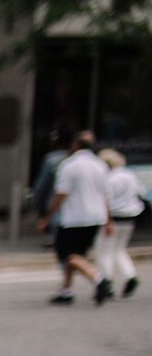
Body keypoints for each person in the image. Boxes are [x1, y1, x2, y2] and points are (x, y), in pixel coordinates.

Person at [40, 131, 113, 306]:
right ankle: (66, 290)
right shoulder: (100, 165)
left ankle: (99, 280)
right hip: (96, 217)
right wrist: (109, 219)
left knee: (68, 255)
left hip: (74, 217)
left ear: (75, 145)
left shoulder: (69, 165)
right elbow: (105, 194)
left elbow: (61, 194)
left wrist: (47, 216)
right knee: (76, 255)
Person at [97, 149, 142, 297]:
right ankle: (130, 275)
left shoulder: (108, 178)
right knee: (119, 249)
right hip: (130, 216)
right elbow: (139, 192)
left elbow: (105, 199)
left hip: (113, 217)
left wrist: (106, 219)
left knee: (105, 251)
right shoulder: (130, 174)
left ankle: (107, 282)